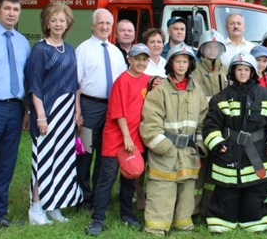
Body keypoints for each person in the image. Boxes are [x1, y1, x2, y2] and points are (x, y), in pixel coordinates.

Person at [203, 52, 267, 234]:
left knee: (255, 191)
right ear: (233, 72)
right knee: (226, 191)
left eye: (246, 69)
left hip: (258, 152)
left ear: (252, 72)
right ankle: (222, 223)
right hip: (228, 151)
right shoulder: (221, 98)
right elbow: (210, 125)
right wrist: (216, 143)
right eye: (239, 69)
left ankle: (255, 223)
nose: (242, 73)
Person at [140, 43, 208, 236]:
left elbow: (204, 119)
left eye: (185, 61)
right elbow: (150, 124)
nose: (181, 65)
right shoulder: (159, 91)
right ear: (170, 64)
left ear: (190, 65)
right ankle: (157, 226)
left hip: (188, 151)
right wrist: (163, 147)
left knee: (187, 188)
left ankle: (183, 223)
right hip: (165, 150)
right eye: (177, 61)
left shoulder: (197, 92)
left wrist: (201, 145)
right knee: (162, 187)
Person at [24, 2, 82, 225]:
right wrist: (40, 116)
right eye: (54, 20)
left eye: (62, 20)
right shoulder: (40, 49)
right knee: (44, 159)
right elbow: (35, 85)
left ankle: (54, 204)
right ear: (47, 23)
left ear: (68, 23)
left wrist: (77, 111)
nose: (58, 24)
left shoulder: (68, 49)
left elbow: (74, 83)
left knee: (62, 159)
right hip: (48, 111)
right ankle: (36, 208)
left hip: (67, 113)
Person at [86, 44, 151, 236]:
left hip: (135, 137)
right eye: (136, 59)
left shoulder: (147, 80)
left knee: (130, 176)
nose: (140, 63)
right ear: (129, 59)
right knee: (107, 177)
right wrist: (126, 138)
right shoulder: (122, 80)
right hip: (117, 137)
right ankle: (98, 218)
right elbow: (118, 112)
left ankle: (126, 215)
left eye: (144, 59)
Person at [75, 9, 126, 211]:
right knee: (84, 153)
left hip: (111, 110)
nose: (104, 27)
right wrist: (77, 112)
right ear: (92, 25)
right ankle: (82, 197)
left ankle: (98, 196)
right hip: (89, 107)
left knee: (105, 153)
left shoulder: (115, 52)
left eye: (108, 23)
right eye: (101, 23)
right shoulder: (83, 50)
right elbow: (76, 85)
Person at [0, 0, 31, 227]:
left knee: (6, 163)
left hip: (15, 109)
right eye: (7, 9)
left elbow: (26, 80)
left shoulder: (22, 42)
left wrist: (26, 111)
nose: (11, 14)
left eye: (15, 10)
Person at [191, 29, 228, 217]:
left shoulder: (228, 69)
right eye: (208, 47)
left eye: (216, 47)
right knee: (199, 168)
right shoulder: (194, 70)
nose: (212, 50)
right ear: (202, 49)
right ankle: (194, 209)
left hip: (221, 126)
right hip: (201, 124)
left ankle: (209, 210)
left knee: (215, 171)